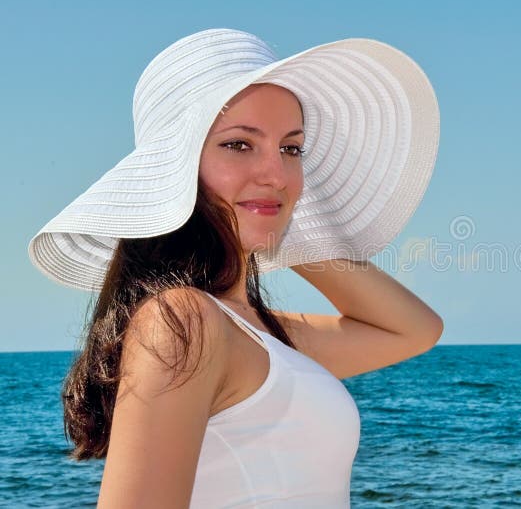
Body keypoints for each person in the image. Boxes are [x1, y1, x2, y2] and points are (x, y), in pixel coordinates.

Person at [28, 28, 442, 508]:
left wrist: (286, 221)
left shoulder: (249, 333)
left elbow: (414, 330)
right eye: (239, 145)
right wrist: (270, 209)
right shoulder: (185, 321)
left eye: (291, 149)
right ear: (176, 170)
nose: (276, 172)